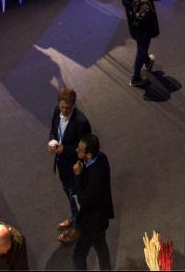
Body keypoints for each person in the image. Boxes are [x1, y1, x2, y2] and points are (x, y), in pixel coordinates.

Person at [50, 88, 92, 244]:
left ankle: (78, 227)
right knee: (69, 195)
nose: (64, 111)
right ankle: (75, 217)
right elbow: (53, 131)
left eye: (67, 108)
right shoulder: (57, 111)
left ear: (73, 105)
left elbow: (85, 151)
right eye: (62, 107)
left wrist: (64, 150)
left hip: (75, 169)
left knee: (76, 197)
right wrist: (52, 141)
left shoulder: (81, 122)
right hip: (62, 167)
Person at [70, 133, 114, 271]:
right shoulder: (101, 157)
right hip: (101, 217)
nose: (76, 150)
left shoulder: (95, 176)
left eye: (80, 150)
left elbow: (84, 200)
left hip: (91, 222)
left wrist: (78, 175)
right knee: (100, 245)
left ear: (88, 155)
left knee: (78, 255)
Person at [120, 0, 162, 86]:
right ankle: (136, 78)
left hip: (133, 25)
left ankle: (148, 61)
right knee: (142, 49)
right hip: (145, 26)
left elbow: (125, 5)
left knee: (141, 45)